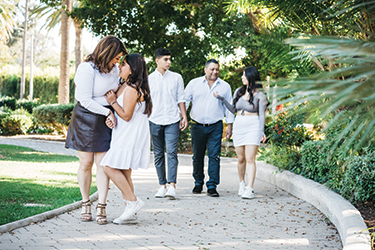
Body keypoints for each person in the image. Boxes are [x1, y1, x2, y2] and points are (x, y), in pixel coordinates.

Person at [65, 35, 127, 224]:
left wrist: (112, 110)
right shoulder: (87, 68)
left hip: (106, 118)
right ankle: (85, 202)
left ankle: (101, 205)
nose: (118, 62)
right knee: (86, 163)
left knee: (103, 165)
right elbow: (84, 99)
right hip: (85, 117)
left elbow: (114, 94)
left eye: (119, 59)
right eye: (116, 57)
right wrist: (107, 111)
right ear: (106, 53)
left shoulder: (115, 70)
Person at [101, 53, 152, 224]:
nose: (119, 67)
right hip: (122, 132)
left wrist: (113, 102)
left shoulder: (132, 89)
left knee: (107, 166)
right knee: (124, 171)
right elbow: (120, 113)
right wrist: (111, 115)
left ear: (132, 69)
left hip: (130, 133)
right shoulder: (125, 85)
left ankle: (132, 201)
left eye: (123, 65)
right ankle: (130, 212)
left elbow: (127, 115)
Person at [214, 66, 267, 199]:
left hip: (253, 126)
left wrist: (262, 131)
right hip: (239, 126)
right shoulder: (238, 91)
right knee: (241, 158)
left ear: (251, 77)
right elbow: (232, 109)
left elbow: (262, 115)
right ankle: (241, 183)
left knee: (250, 159)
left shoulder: (260, 96)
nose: (242, 77)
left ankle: (250, 188)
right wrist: (221, 99)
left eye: (244, 75)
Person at [184, 59, 235, 197]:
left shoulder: (225, 86)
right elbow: (185, 101)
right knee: (197, 156)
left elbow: (229, 107)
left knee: (214, 156)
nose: (215, 72)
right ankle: (198, 182)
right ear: (205, 69)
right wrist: (182, 117)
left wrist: (229, 126)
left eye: (217, 69)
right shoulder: (194, 84)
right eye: (212, 69)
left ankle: (212, 185)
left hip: (215, 126)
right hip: (197, 125)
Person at [148, 48, 188, 199]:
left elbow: (181, 98)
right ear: (157, 61)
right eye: (165, 59)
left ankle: (172, 186)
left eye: (170, 59)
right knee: (158, 154)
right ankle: (162, 186)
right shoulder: (149, 79)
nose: (169, 62)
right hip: (154, 119)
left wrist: (184, 116)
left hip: (172, 119)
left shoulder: (177, 77)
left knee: (172, 152)